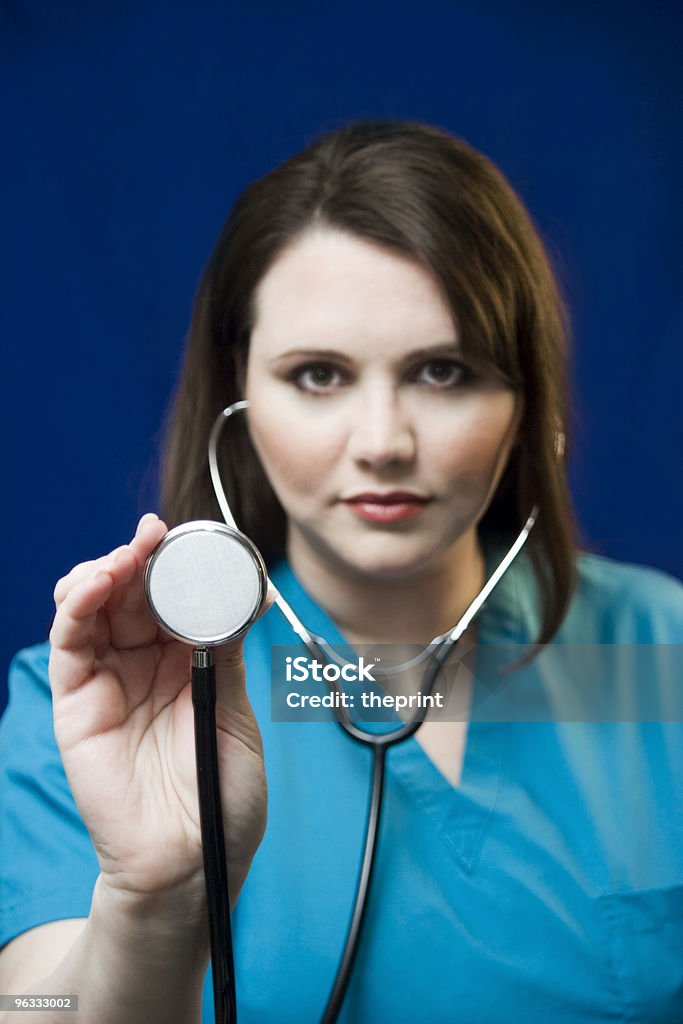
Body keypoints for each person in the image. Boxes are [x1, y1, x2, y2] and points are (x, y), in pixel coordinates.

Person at [1, 120, 682, 1024]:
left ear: (524, 401)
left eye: (443, 371)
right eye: (318, 374)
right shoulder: (105, 700)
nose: (382, 443)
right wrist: (155, 901)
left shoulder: (655, 651)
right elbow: (29, 1007)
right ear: (238, 389)